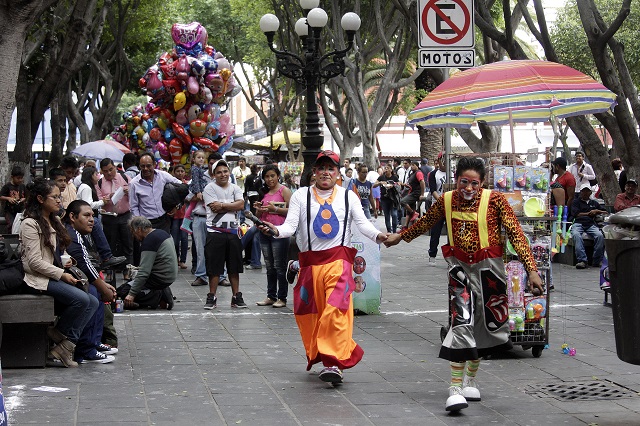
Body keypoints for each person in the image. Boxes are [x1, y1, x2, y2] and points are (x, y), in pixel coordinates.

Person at [384, 157, 544, 412]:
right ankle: (455, 389)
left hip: (491, 271)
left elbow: (516, 233)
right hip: (459, 271)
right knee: (461, 322)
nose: (468, 188)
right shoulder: (446, 200)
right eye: (463, 182)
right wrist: (399, 237)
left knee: (486, 326)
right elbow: (425, 223)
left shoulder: (495, 200)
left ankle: (470, 380)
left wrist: (532, 270)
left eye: (474, 183)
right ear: (456, 179)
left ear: (482, 183)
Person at [258, 150, 388, 383]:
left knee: (334, 311)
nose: (326, 172)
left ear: (338, 173)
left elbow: (363, 224)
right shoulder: (301, 196)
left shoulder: (349, 197)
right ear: (314, 172)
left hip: (339, 263)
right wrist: (276, 230)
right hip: (310, 266)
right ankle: (328, 356)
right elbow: (289, 227)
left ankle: (332, 364)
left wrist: (381, 236)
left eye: (331, 168)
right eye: (321, 168)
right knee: (313, 316)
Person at [20, 179, 99, 367]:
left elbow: (58, 250)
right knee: (82, 300)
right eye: (54, 197)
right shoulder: (30, 224)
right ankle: (59, 337)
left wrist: (66, 260)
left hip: (53, 273)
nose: (58, 201)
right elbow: (34, 262)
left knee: (93, 301)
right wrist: (61, 274)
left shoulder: (53, 220)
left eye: (59, 197)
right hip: (37, 278)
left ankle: (64, 345)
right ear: (40, 199)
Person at [64, 200, 117, 363]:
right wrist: (102, 287)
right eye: (86, 215)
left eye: (93, 216)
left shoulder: (77, 234)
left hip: (68, 275)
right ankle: (85, 349)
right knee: (93, 293)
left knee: (96, 292)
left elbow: (86, 263)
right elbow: (84, 264)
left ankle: (93, 342)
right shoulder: (72, 235)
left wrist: (102, 285)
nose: (92, 220)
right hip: (58, 277)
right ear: (72, 217)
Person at [202, 159, 247, 310]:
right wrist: (231, 206)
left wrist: (222, 205)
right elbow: (214, 208)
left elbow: (241, 205)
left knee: (234, 267)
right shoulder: (209, 188)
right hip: (215, 232)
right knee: (214, 267)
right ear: (214, 175)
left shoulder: (235, 188)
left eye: (225, 171)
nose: (223, 174)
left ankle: (236, 296)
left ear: (229, 172)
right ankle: (211, 296)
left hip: (233, 232)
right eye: (219, 172)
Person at [254, 165, 292, 308]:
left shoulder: (284, 191)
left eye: (272, 176)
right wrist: (258, 210)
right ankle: (271, 295)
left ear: (278, 176)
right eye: (267, 176)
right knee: (270, 266)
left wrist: (275, 209)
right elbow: (259, 215)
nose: (270, 179)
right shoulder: (263, 192)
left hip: (279, 233)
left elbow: (293, 211)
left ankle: (282, 297)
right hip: (264, 232)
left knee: (280, 266)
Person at [123, 216, 177, 310]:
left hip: (160, 278)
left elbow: (144, 272)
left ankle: (157, 297)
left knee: (123, 292)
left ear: (139, 229)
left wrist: (131, 294)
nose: (133, 236)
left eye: (133, 232)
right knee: (129, 285)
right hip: (168, 276)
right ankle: (159, 293)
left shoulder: (150, 241)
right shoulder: (161, 232)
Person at [128, 152, 181, 233]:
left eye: (148, 165)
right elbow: (133, 207)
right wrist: (139, 224)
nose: (145, 169)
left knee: (165, 244)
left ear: (154, 164)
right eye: (143, 166)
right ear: (139, 166)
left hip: (164, 220)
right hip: (146, 223)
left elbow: (180, 187)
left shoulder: (163, 176)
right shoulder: (134, 183)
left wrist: (176, 205)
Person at [97, 158, 134, 274]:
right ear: (101, 171)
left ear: (114, 167)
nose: (109, 173)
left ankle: (127, 270)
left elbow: (135, 193)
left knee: (127, 244)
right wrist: (105, 199)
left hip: (125, 215)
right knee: (110, 244)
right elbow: (98, 200)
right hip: (109, 216)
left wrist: (129, 192)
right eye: (105, 171)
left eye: (111, 169)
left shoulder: (125, 177)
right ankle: (110, 271)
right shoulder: (99, 182)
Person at [570, 184, 606, 270]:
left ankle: (597, 260)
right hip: (578, 223)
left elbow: (605, 212)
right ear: (581, 192)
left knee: (600, 235)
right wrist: (589, 213)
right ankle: (582, 260)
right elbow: (576, 214)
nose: (585, 193)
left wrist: (597, 211)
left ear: (590, 192)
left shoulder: (594, 203)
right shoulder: (576, 202)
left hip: (590, 224)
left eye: (587, 191)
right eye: (583, 191)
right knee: (576, 235)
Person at [180, 150, 207, 234]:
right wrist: (198, 191)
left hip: (199, 188)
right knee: (192, 205)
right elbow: (195, 181)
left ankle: (186, 223)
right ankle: (185, 223)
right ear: (194, 159)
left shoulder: (199, 168)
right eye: (199, 157)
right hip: (196, 189)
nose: (201, 159)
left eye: (202, 158)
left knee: (193, 205)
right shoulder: (195, 169)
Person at [427, 152, 447, 265]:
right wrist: (441, 201)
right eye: (442, 159)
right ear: (438, 161)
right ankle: (432, 255)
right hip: (437, 206)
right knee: (435, 232)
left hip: (450, 207)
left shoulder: (453, 173)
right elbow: (433, 190)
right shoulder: (434, 174)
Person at [169, 165, 189, 269]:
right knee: (175, 239)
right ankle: (176, 258)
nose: (180, 173)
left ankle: (183, 260)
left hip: (185, 216)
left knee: (184, 239)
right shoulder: (171, 185)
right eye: (178, 171)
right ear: (174, 172)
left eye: (182, 171)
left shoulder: (187, 185)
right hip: (175, 216)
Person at [373, 165, 400, 232]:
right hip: (384, 199)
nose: (386, 169)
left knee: (394, 214)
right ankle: (389, 230)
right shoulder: (381, 177)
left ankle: (394, 230)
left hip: (393, 199)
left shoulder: (394, 177)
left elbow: (399, 184)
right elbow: (374, 185)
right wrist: (380, 183)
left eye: (388, 168)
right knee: (387, 215)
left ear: (391, 170)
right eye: (385, 168)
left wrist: (393, 185)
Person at [0, 165, 26, 230]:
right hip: (9, 211)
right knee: (11, 224)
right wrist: (8, 198)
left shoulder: (22, 186)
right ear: (12, 177)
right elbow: (1, 196)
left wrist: (23, 199)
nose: (20, 180)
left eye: (21, 178)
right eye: (18, 178)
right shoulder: (7, 186)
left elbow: (27, 196)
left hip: (20, 210)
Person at [400, 161, 425, 225]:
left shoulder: (418, 173)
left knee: (403, 201)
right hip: (411, 192)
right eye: (411, 165)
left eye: (413, 165)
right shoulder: (412, 173)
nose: (412, 166)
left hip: (416, 193)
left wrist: (422, 194)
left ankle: (414, 213)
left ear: (417, 166)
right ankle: (405, 227)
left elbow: (422, 182)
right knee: (408, 211)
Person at [232, 157, 251, 224]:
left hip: (245, 190)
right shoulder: (235, 169)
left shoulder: (248, 169)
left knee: (244, 205)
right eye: (240, 161)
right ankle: (237, 219)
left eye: (242, 161)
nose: (241, 163)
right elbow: (231, 178)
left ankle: (242, 220)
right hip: (237, 190)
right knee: (237, 205)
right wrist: (238, 177)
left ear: (245, 162)